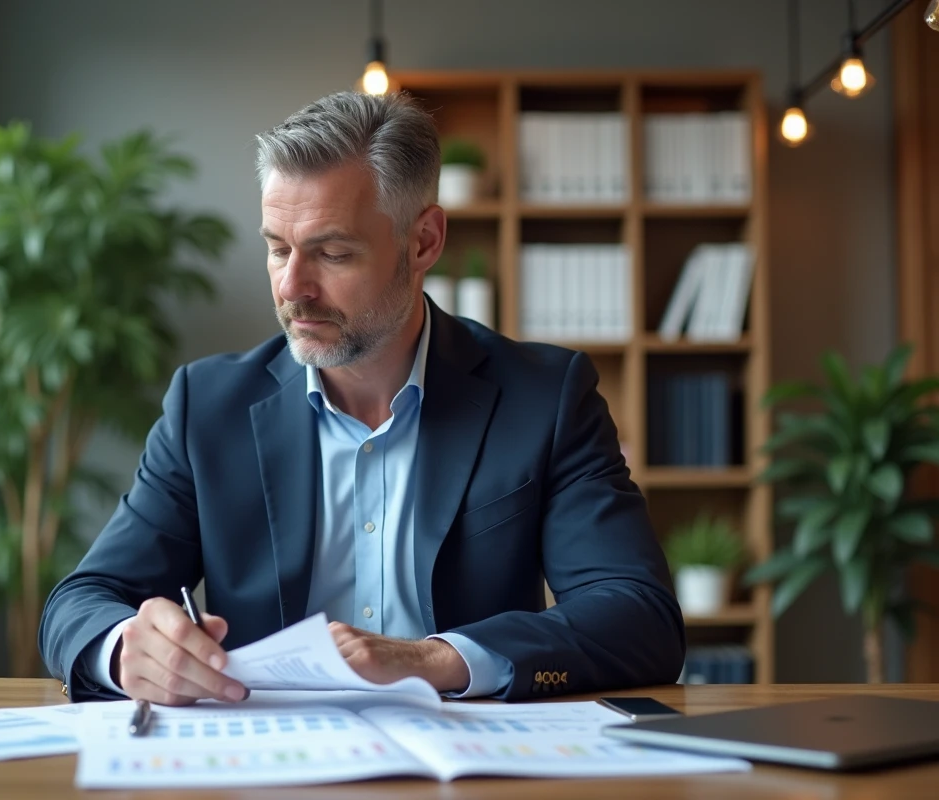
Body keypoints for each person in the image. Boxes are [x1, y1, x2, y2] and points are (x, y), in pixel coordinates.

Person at [38, 90, 685, 705]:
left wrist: (432, 660)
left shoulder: (544, 398)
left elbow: (639, 617)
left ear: (424, 241)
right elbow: (83, 600)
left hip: (471, 768)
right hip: (264, 764)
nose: (294, 287)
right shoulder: (207, 407)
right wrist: (126, 649)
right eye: (277, 248)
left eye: (333, 253)